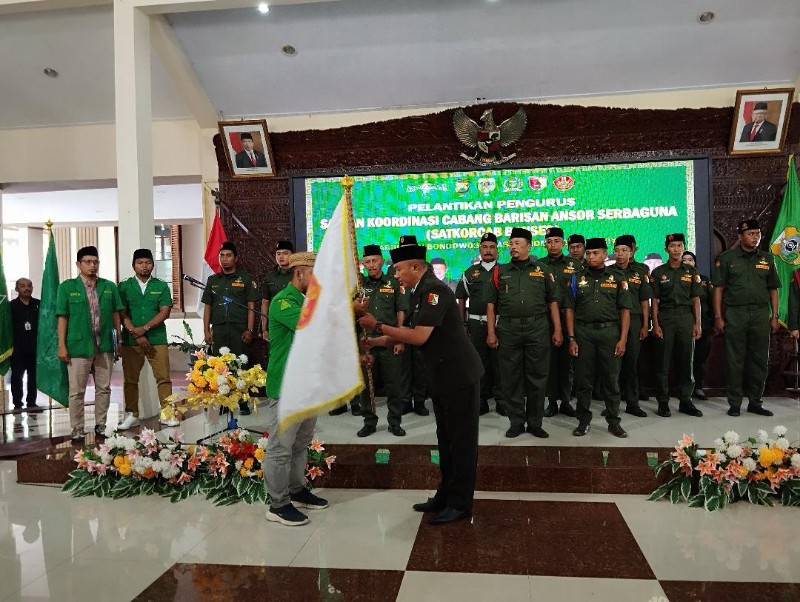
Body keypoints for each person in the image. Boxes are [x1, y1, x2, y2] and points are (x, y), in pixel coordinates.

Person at [359, 241, 482, 525]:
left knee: (461, 444)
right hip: (441, 377)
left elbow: (419, 337)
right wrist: (377, 341)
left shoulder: (435, 291)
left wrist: (377, 325)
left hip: (459, 377)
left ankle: (460, 504)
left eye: (399, 269)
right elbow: (407, 331)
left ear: (416, 267)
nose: (396, 274)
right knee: (446, 441)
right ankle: (445, 495)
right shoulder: (418, 291)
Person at [264, 252, 329, 526]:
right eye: (313, 273)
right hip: (286, 385)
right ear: (299, 273)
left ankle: (296, 490)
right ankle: (277, 504)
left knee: (301, 443)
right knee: (280, 447)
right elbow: (310, 323)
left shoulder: (305, 300)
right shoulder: (283, 301)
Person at [486, 227, 562, 439]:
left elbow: (553, 302)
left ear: (529, 246)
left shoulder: (543, 270)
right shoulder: (500, 271)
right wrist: (491, 332)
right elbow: (491, 304)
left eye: (517, 243)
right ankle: (516, 422)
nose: (513, 247)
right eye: (511, 244)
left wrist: (557, 329)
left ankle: (536, 423)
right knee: (511, 378)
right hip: (508, 329)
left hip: (537, 328)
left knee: (538, 377)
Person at [564, 237, 631, 438]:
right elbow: (569, 310)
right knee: (583, 381)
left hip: (609, 333)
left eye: (595, 253)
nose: (591, 257)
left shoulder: (617, 277)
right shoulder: (576, 278)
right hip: (583, 333)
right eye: (589, 253)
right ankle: (583, 422)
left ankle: (614, 422)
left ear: (604, 254)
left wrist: (623, 339)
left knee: (611, 380)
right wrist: (571, 338)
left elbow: (625, 310)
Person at [713, 219, 780, 417]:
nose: (755, 237)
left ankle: (755, 402)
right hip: (735, 313)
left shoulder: (767, 259)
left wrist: (775, 315)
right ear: (740, 236)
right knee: (735, 360)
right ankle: (734, 403)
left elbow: (773, 289)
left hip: (760, 313)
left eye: (757, 233)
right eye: (751, 234)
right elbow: (718, 289)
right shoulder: (727, 258)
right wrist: (718, 316)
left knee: (759, 360)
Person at [56, 246, 123, 441]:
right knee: (77, 391)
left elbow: (116, 314)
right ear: (78, 264)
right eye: (87, 262)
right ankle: (77, 428)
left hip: (105, 345)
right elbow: (62, 317)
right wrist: (62, 345)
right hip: (78, 346)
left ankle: (101, 425)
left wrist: (118, 339)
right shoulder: (67, 287)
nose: (92, 265)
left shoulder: (109, 286)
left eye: (95, 262)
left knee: (104, 388)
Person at [354, 244, 407, 437]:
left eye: (374, 261)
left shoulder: (393, 283)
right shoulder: (359, 286)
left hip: (389, 340)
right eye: (367, 262)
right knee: (366, 386)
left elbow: (400, 311)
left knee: (393, 384)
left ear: (382, 261)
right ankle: (369, 422)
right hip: (365, 341)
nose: (371, 265)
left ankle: (395, 422)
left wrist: (400, 338)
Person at [202, 241, 260, 415]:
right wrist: (206, 330)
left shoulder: (245, 278)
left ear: (236, 258)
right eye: (222, 256)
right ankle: (224, 402)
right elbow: (207, 306)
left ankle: (242, 402)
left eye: (228, 256)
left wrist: (250, 329)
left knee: (240, 364)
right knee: (220, 366)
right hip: (219, 329)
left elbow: (251, 306)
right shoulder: (213, 280)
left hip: (239, 330)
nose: (224, 259)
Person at [117, 249, 173, 430]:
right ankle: (131, 414)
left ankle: (167, 414)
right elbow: (121, 313)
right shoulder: (124, 286)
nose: (144, 266)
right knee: (130, 380)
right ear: (133, 265)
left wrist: (145, 328)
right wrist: (136, 333)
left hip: (157, 338)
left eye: (148, 262)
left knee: (163, 378)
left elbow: (165, 311)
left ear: (153, 265)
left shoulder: (161, 286)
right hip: (131, 341)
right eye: (140, 262)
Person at [650, 234, 703, 418]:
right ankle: (663, 402)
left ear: (683, 247)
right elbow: (655, 301)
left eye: (679, 245)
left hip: (685, 317)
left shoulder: (691, 272)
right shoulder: (658, 272)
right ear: (666, 249)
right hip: (665, 317)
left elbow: (696, 299)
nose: (676, 249)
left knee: (686, 361)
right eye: (672, 246)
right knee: (662, 363)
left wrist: (697, 323)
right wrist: (655, 324)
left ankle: (686, 401)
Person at [455, 232, 505, 416]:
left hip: (500, 324)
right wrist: (462, 324)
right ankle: (481, 401)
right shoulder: (470, 272)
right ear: (480, 250)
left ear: (497, 251)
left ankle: (501, 401)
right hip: (476, 324)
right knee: (478, 363)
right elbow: (461, 299)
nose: (488, 250)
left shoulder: (505, 271)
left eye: (492, 247)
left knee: (500, 364)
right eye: (485, 247)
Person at [540, 227, 580, 418]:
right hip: (545, 319)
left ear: (563, 243)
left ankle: (565, 401)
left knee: (568, 362)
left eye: (557, 241)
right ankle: (551, 402)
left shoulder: (575, 264)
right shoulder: (539, 265)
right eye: (549, 241)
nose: (553, 245)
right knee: (549, 363)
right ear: (545, 244)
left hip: (569, 318)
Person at [613, 235, 652, 417]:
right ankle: (612, 404)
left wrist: (645, 324)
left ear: (631, 252)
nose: (620, 254)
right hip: (614, 321)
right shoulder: (608, 272)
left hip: (635, 321)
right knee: (613, 366)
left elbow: (644, 300)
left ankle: (632, 403)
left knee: (631, 364)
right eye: (617, 250)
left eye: (624, 250)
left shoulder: (641, 271)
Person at [682, 251, 714, 401]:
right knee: (684, 358)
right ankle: (684, 388)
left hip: (704, 324)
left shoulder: (704, 280)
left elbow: (711, 302)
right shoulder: (677, 278)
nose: (688, 262)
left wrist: (713, 322)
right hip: (683, 322)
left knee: (700, 358)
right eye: (685, 260)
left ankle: (698, 387)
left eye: (691, 260)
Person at [9, 278, 39, 409]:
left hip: (35, 348)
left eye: (29, 285)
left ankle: (31, 402)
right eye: (23, 286)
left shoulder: (39, 304)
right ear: (17, 289)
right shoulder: (10, 307)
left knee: (33, 378)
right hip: (17, 349)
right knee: (17, 377)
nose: (27, 288)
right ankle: (17, 403)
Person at [260, 240, 294, 341]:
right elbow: (265, 303)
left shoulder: (298, 274)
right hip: (275, 325)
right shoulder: (269, 277)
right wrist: (264, 329)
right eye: (278, 254)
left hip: (293, 323)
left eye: (285, 253)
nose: (281, 257)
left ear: (292, 255)